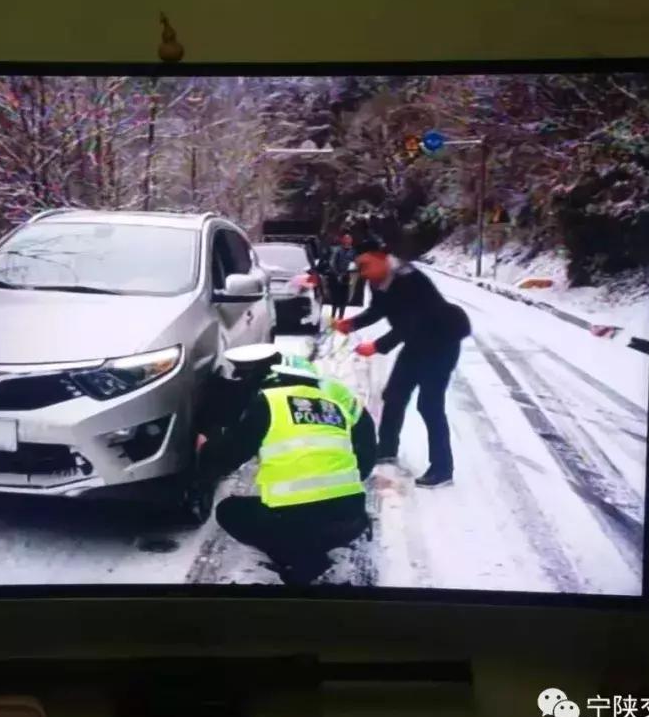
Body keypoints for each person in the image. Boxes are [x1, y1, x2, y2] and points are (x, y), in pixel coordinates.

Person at [195, 343, 376, 585]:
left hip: (296, 523)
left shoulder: (270, 401)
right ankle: (315, 545)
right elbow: (364, 438)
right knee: (312, 512)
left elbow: (227, 456)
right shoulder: (333, 404)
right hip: (352, 518)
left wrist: (206, 448)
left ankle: (302, 559)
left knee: (229, 511)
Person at [332, 236, 471, 487]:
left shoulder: (410, 279)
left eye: (366, 265)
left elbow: (412, 323)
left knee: (429, 405)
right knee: (394, 395)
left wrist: (377, 346)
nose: (363, 273)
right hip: (417, 343)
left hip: (441, 341)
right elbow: (378, 310)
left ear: (382, 258)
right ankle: (385, 451)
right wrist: (351, 323)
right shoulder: (378, 281)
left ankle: (442, 469)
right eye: (359, 267)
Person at [326, 232, 358, 320]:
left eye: (349, 239)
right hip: (336, 277)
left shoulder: (353, 251)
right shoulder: (338, 250)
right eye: (346, 239)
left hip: (347, 277)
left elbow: (355, 263)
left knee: (344, 299)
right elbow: (332, 262)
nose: (347, 241)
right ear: (342, 240)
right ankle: (333, 316)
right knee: (335, 298)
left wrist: (352, 272)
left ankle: (341, 317)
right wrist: (337, 274)